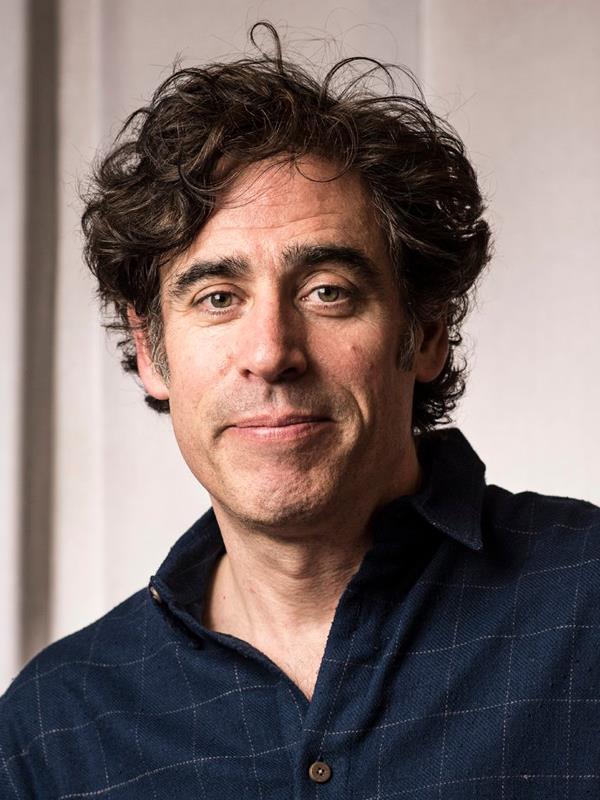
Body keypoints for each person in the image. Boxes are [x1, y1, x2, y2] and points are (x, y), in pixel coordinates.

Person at [2, 23, 599, 799]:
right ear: (151, 350)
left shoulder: (587, 604)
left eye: (327, 291)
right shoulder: (53, 730)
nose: (271, 351)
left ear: (426, 332)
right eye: (217, 298)